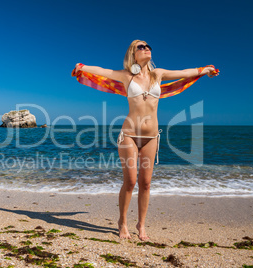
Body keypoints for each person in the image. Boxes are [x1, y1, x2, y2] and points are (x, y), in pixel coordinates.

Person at [75, 40, 218, 241]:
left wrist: (205, 70)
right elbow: (102, 71)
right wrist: (82, 67)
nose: (146, 48)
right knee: (131, 181)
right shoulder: (126, 76)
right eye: (141, 47)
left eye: (148, 46)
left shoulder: (157, 74)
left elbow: (186, 72)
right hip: (129, 135)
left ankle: (141, 224)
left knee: (146, 183)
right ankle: (122, 222)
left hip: (152, 137)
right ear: (133, 53)